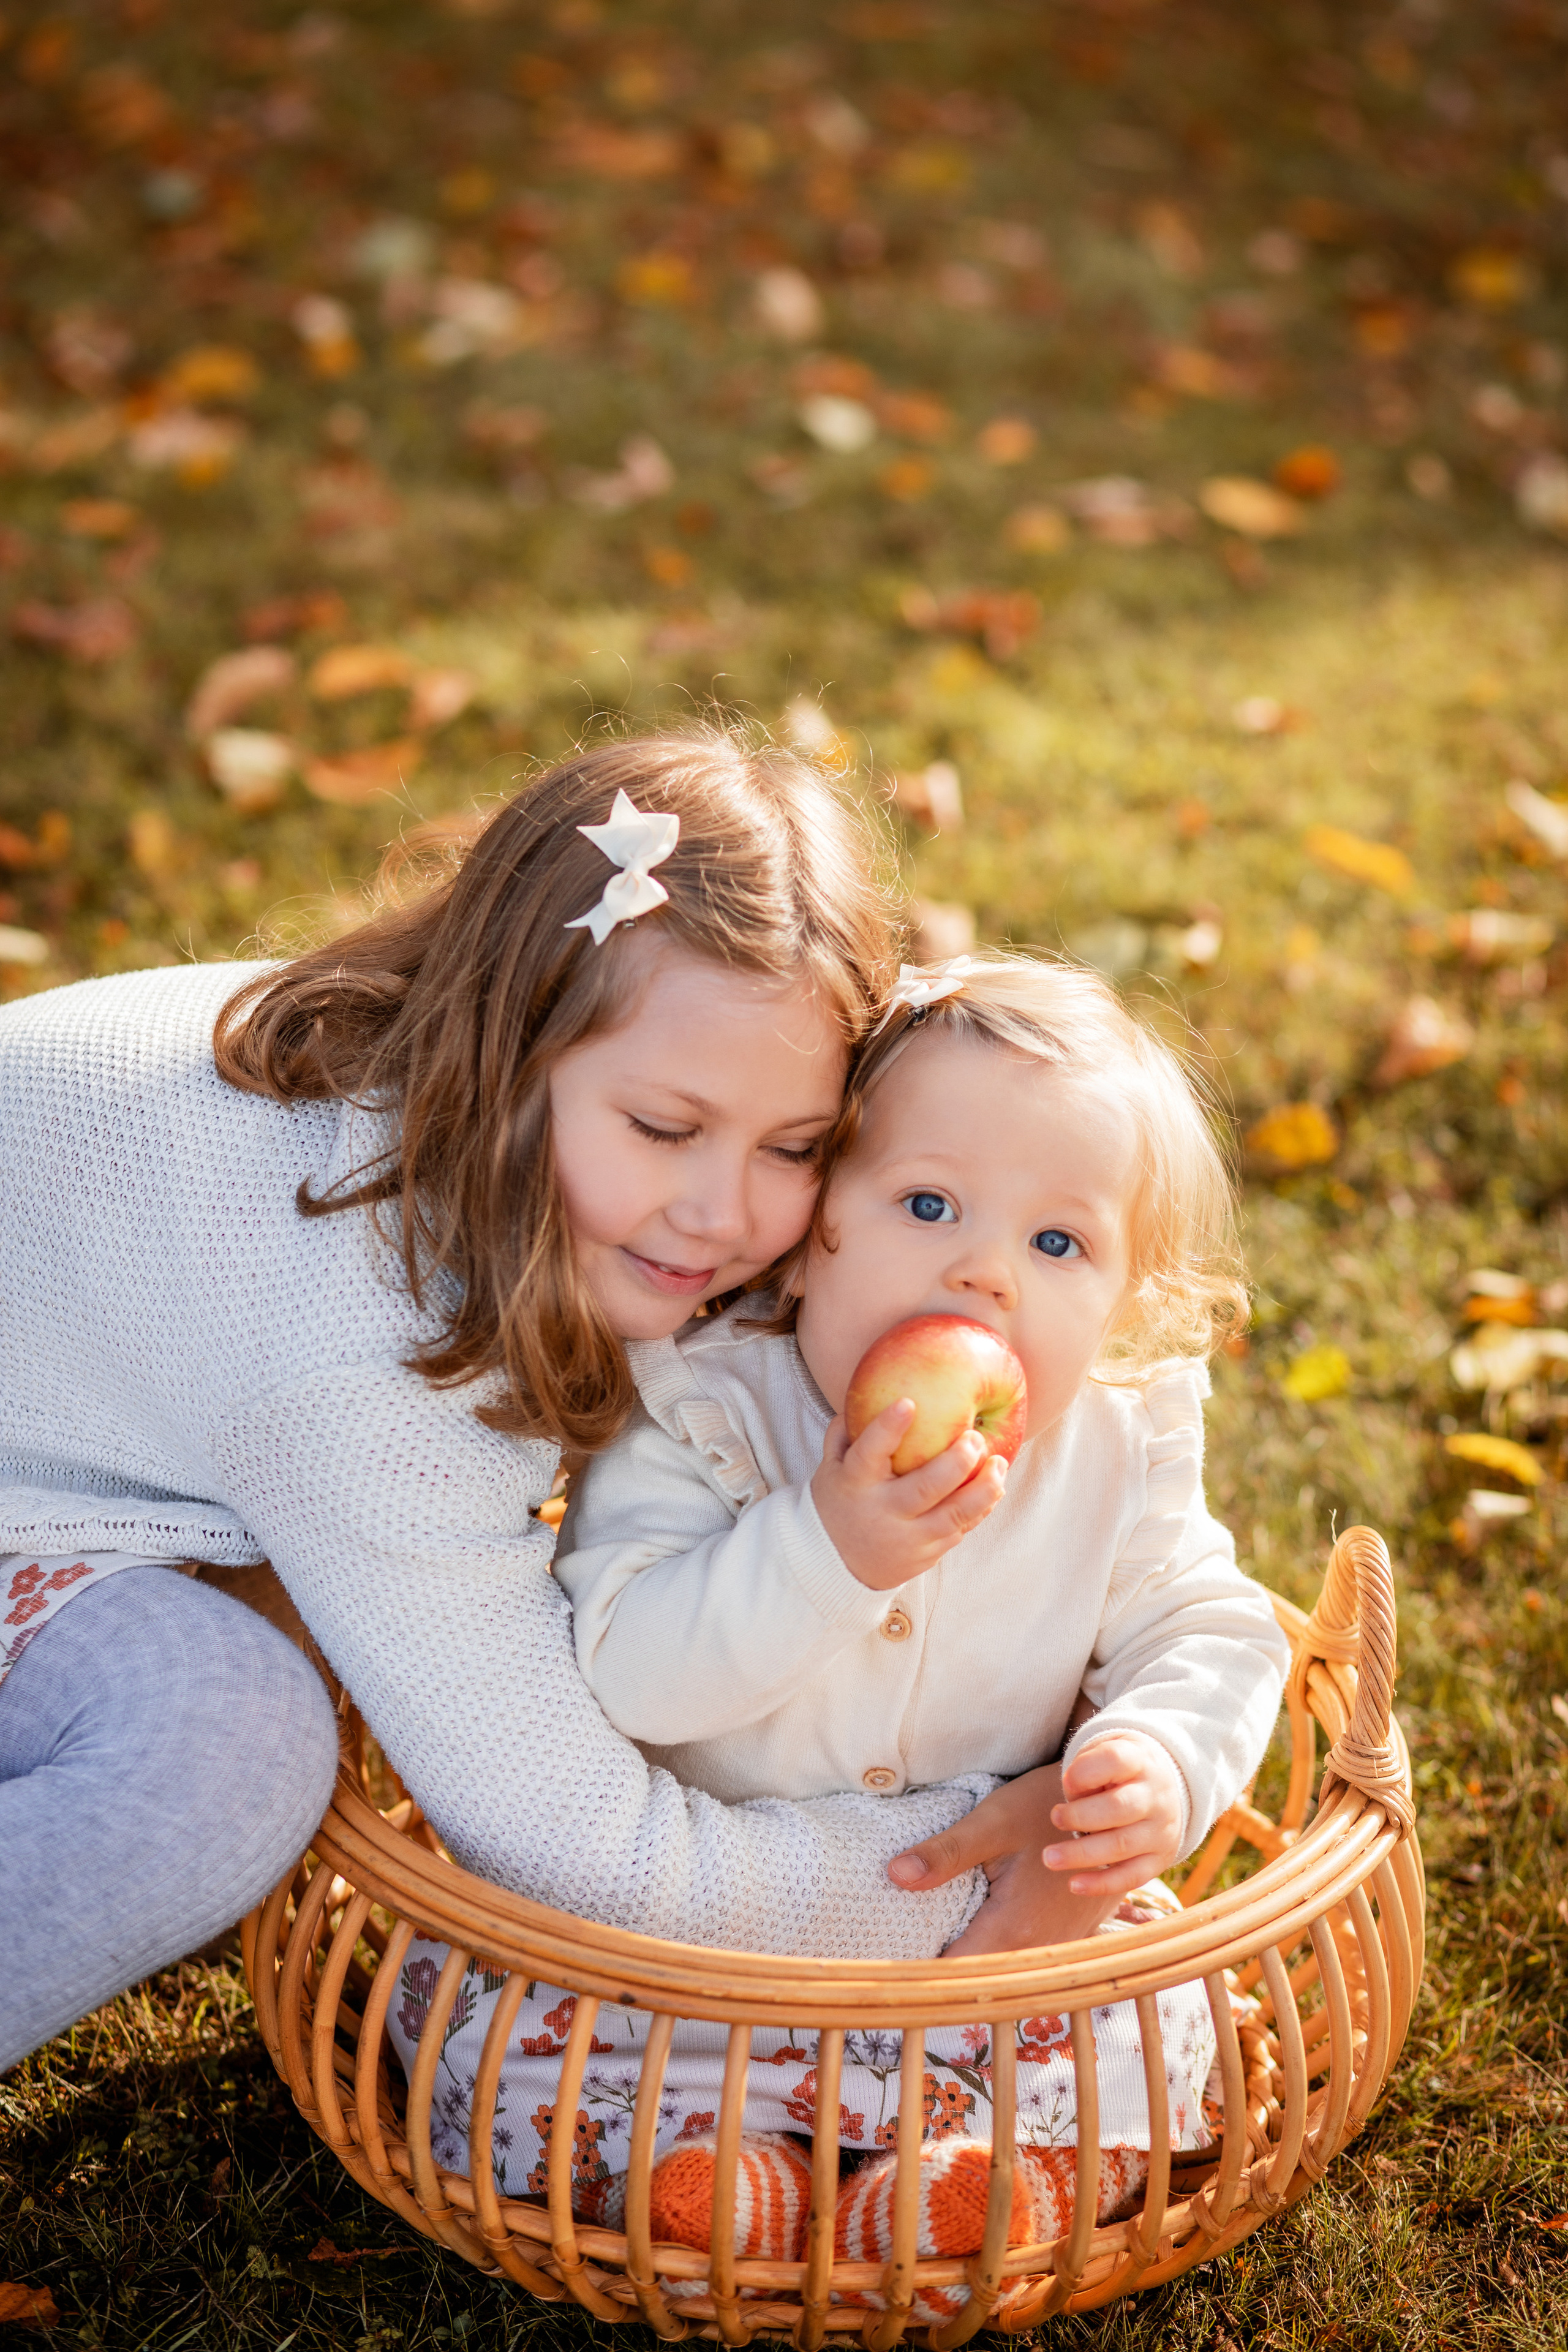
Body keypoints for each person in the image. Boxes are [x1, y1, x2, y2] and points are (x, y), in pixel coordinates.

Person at [0, 733, 1049, 2073]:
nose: (724, 1213)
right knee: (224, 1751)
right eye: (664, 1131)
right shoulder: (360, 1345)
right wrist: (964, 1869)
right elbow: (581, 1848)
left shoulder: (488, 1130)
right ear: (507, 1050)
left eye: (792, 1148)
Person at [390, 953, 1289, 2271]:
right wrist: (823, 1546)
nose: (986, 1275)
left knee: (1142, 2037)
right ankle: (729, 2183)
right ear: (811, 1240)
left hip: (976, 1928)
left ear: (1118, 1305)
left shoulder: (1110, 1445)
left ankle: (945, 2190)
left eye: (1057, 1244)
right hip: (701, 1946)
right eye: (927, 1203)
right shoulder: (702, 1409)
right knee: (562, 2060)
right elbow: (628, 1674)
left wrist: (1159, 1754)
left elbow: (1210, 1625)